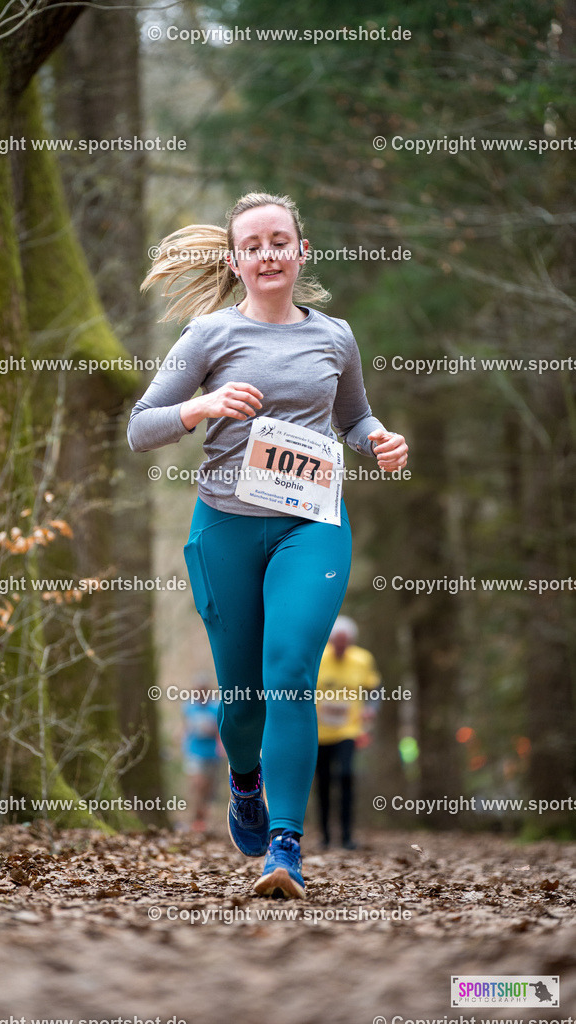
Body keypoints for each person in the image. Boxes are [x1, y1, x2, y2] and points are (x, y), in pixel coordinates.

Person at [128, 191, 408, 899]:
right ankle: (244, 782)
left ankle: (284, 849)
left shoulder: (333, 336)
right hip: (224, 526)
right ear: (236, 260)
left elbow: (354, 417)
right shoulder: (207, 336)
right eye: (252, 245)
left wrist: (377, 440)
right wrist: (203, 405)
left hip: (309, 525)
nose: (268, 254)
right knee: (243, 696)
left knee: (288, 676)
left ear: (300, 250)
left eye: (279, 240)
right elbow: (142, 426)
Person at [315, 616, 380, 850]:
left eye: (345, 643)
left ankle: (347, 836)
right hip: (320, 732)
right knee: (322, 781)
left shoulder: (362, 659)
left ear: (351, 641)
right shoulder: (318, 658)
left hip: (348, 730)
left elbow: (375, 689)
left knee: (345, 775)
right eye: (336, 643)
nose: (340, 647)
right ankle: (324, 835)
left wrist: (371, 709)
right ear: (330, 640)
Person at [182, 674, 223, 831]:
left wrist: (213, 732)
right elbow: (185, 726)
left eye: (203, 690)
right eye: (198, 690)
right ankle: (195, 817)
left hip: (212, 752)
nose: (200, 693)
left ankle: (201, 819)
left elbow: (222, 729)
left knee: (208, 788)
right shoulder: (188, 707)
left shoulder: (216, 706)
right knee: (197, 783)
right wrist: (180, 737)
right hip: (193, 751)